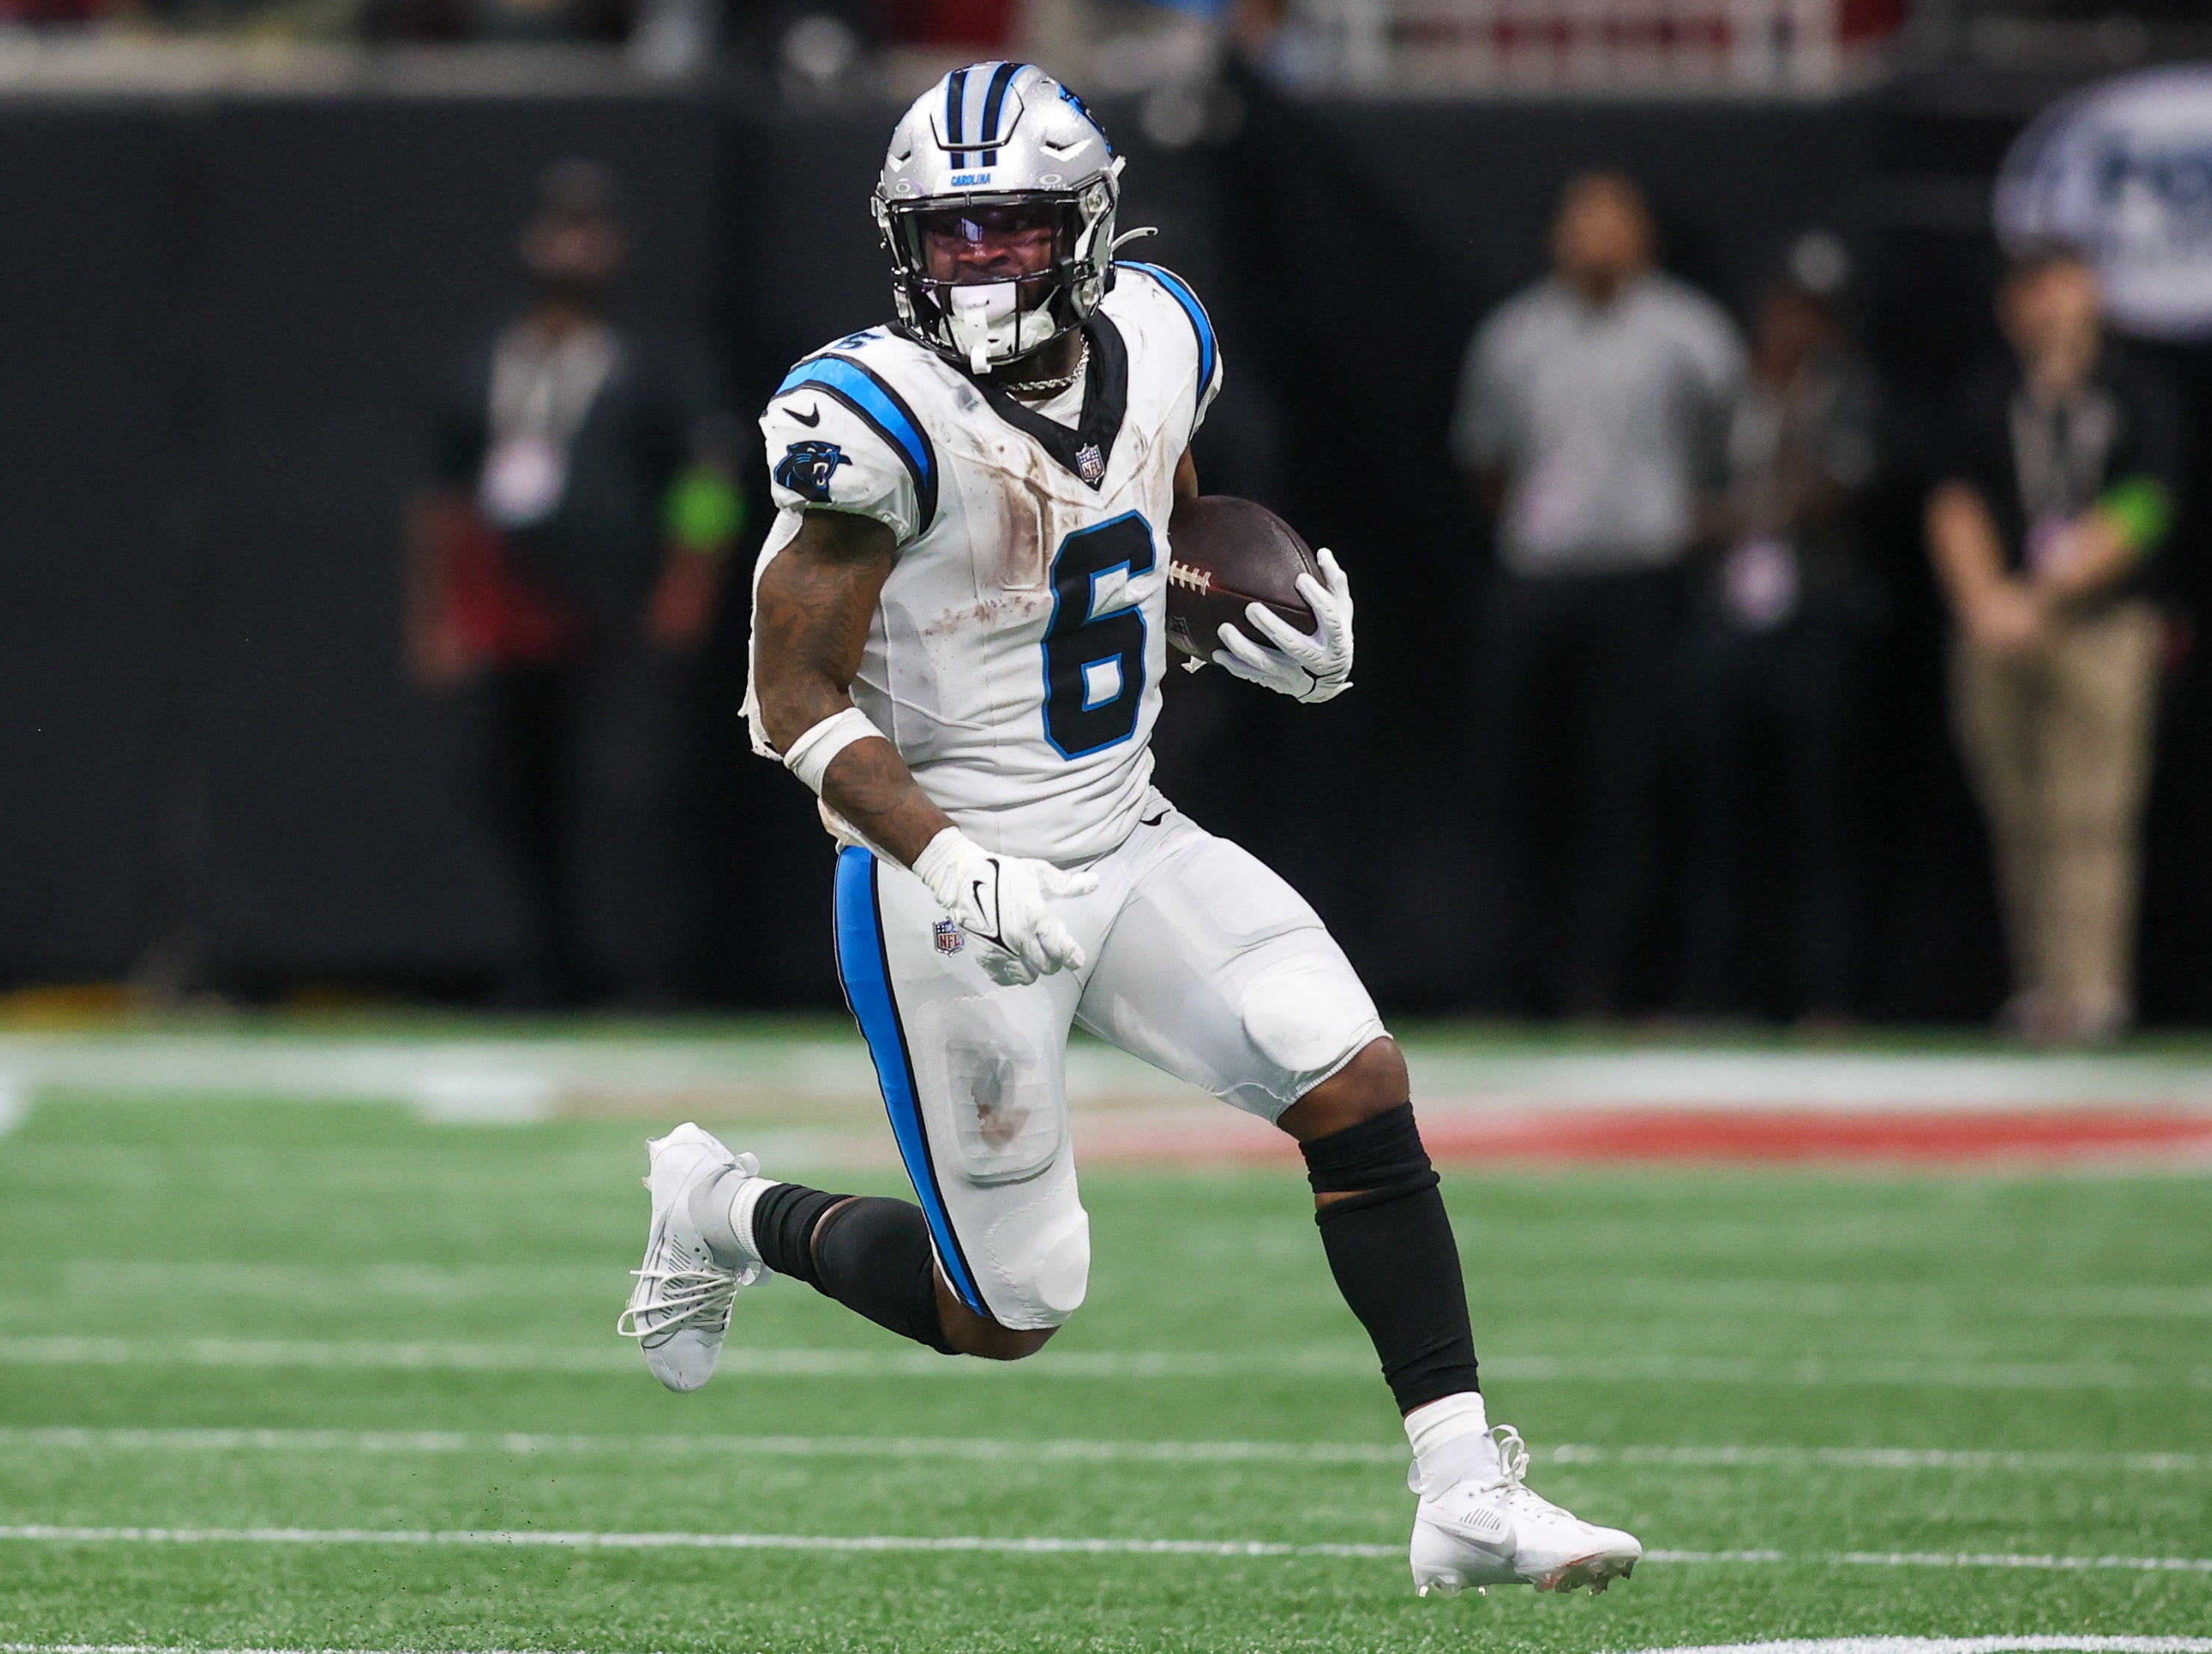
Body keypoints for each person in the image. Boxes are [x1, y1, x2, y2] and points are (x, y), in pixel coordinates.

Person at [618, 63, 1641, 1601]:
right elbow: (786, 701)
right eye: (946, 238)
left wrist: (1222, 616)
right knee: (1009, 1306)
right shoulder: (872, 415)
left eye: (1010, 233)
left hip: (1127, 830)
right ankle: (720, 1206)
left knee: (1346, 1066)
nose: (977, 270)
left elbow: (1146, 510)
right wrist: (952, 856)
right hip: (943, 887)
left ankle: (1462, 1487)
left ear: (1087, 230)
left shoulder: (1160, 331)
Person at [402, 158, 742, 1006]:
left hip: (619, 608)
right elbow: (440, 500)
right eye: (559, 228)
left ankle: (643, 968)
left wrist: (686, 586)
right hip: (511, 610)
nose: (572, 249)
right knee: (515, 783)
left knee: (628, 793)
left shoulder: (654, 361)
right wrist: (437, 614)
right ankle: (539, 960)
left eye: (590, 230)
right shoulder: (489, 361)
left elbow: (708, 479)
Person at [1452, 171, 1742, 1016]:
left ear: (1645, 236)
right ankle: (1509, 977)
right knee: (1521, 782)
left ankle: (1609, 981)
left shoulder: (1691, 335)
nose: (1594, 239)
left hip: (1641, 584)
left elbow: (1725, 451)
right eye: (1580, 222)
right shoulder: (1516, 336)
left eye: (1612, 223)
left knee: (1629, 785)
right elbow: (1485, 461)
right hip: (1538, 580)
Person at [1926, 244, 2180, 1047]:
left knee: (2091, 815)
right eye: (2030, 293)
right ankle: (2039, 987)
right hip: (1998, 625)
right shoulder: (1989, 392)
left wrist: (2045, 594)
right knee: (2018, 813)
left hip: (2099, 626)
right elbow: (1954, 500)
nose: (2046, 307)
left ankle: (2093, 990)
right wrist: (1984, 600)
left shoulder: (2133, 390)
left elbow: (2143, 508)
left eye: (2060, 289)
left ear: (2092, 295)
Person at [1679, 235, 1883, 1024]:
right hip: (1729, 619)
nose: (1800, 328)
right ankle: (1715, 989)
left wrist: (1794, 424)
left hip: (1815, 622)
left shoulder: (1846, 393)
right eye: (1790, 310)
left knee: (1820, 812)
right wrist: (1734, 514)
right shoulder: (1729, 393)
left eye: (1818, 316)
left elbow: (1837, 495)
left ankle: (1827, 992)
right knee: (1718, 810)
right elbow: (1691, 501)